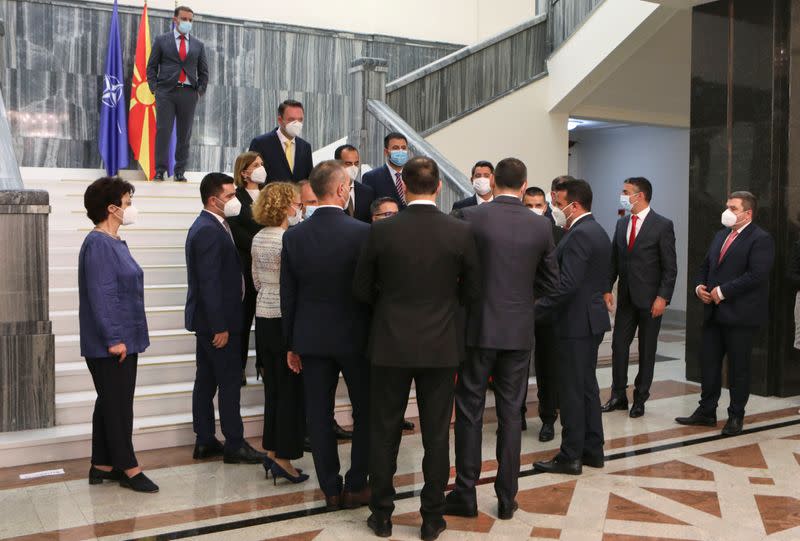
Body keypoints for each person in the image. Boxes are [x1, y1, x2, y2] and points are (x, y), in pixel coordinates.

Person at [354, 157, 480, 540]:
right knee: (437, 434)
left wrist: (390, 304)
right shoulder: (460, 231)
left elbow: (360, 289)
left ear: (402, 188)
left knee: (384, 430)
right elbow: (473, 292)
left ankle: (382, 514)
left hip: (390, 343)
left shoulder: (381, 232)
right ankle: (431, 517)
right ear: (439, 187)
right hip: (440, 345)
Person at [445, 158, 558, 521]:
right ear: (524, 186)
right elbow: (551, 283)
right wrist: (524, 306)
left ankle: (465, 491)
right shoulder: (541, 225)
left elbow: (454, 273)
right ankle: (508, 496)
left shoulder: (470, 217)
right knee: (511, 414)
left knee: (469, 411)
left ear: (493, 183)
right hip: (518, 331)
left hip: (477, 329)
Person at [282, 161, 372, 510]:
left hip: (311, 338)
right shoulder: (364, 232)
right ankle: (356, 483)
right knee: (364, 411)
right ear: (339, 190)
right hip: (357, 338)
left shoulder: (293, 236)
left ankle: (330, 489)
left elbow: (288, 295)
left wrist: (292, 343)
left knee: (318, 415)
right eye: (348, 185)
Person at [79, 177, 158, 493]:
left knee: (109, 402)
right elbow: (103, 295)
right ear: (112, 209)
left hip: (123, 336)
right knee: (118, 406)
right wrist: (114, 339)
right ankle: (129, 467)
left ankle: (102, 465)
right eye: (127, 202)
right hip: (111, 342)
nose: (131, 208)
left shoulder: (110, 242)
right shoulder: (98, 244)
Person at [676, 191, 774, 436]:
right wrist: (700, 287)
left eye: (733, 208)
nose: (727, 211)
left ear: (747, 213)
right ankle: (706, 411)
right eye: (727, 206)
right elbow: (705, 265)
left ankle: (735, 416)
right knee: (708, 364)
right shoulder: (721, 235)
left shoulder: (760, 238)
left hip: (741, 316)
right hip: (713, 314)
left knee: (739, 368)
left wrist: (723, 291)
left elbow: (757, 275)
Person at [185, 172, 265, 464]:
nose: (235, 200)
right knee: (229, 382)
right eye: (230, 196)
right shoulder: (208, 229)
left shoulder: (214, 225)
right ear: (213, 199)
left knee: (206, 380)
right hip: (218, 323)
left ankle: (205, 439)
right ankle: (234, 443)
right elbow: (208, 283)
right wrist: (220, 326)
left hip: (213, 320)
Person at [533, 179, 611, 476]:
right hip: (589, 319)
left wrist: (534, 311)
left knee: (571, 391)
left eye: (559, 202)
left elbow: (566, 285)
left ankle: (570, 455)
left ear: (574, 205)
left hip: (574, 322)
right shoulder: (596, 230)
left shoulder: (579, 234)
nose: (556, 207)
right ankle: (593, 449)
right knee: (586, 387)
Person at [602, 177, 677, 418]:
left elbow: (670, 267)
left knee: (646, 349)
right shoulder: (622, 224)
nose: (622, 195)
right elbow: (614, 260)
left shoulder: (662, 225)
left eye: (626, 191)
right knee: (619, 346)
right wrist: (606, 288)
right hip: (625, 298)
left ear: (640, 195)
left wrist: (663, 297)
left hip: (650, 300)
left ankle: (640, 397)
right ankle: (618, 395)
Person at [250, 182, 308, 484]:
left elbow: (257, 281)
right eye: (296, 203)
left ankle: (271, 451)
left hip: (264, 317)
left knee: (273, 389)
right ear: (286, 206)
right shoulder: (288, 239)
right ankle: (283, 457)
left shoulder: (259, 237)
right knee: (289, 390)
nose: (299, 207)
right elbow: (294, 285)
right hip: (285, 317)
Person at [522, 185, 565, 441]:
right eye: (529, 205)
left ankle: (548, 419)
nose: (534, 210)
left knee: (548, 368)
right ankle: (516, 415)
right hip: (518, 309)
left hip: (549, 311)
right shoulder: (512, 232)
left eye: (538, 205)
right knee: (515, 367)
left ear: (546, 207)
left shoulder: (560, 235)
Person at [146, 5, 208, 182]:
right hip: (166, 92)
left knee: (184, 134)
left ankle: (180, 171)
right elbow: (151, 67)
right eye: (184, 19)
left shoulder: (198, 45)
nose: (187, 22)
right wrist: (154, 88)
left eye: (190, 20)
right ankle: (159, 170)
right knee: (163, 131)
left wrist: (200, 91)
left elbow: (203, 71)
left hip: (188, 93)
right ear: (175, 20)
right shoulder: (161, 40)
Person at [227, 151, 267, 386]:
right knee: (243, 321)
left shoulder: (268, 194)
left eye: (262, 164)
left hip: (270, 269)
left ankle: (263, 365)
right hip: (247, 267)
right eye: (256, 165)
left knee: (265, 323)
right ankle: (238, 367)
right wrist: (262, 243)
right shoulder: (236, 197)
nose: (261, 168)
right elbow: (235, 229)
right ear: (244, 172)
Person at [249, 100, 313, 182]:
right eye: (291, 119)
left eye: (300, 120)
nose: (297, 124)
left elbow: (308, 180)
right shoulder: (260, 143)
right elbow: (252, 177)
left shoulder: (305, 147)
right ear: (280, 120)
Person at [361, 132, 409, 209]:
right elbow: (368, 208)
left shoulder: (415, 176)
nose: (400, 151)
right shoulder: (371, 177)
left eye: (403, 148)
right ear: (386, 152)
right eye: (395, 148)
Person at [334, 144, 375, 223]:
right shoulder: (328, 191)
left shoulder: (367, 192)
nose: (353, 168)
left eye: (356, 163)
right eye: (348, 163)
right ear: (336, 164)